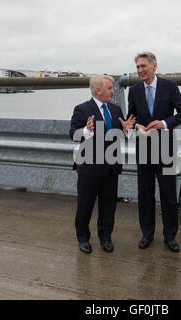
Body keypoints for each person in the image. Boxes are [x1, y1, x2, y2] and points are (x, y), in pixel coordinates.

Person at [127, 52, 181, 252]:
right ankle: (147, 233)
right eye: (137, 67)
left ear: (154, 66)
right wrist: (136, 126)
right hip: (144, 147)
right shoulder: (134, 89)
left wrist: (164, 124)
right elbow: (132, 116)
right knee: (145, 194)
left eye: (143, 66)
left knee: (168, 195)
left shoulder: (170, 86)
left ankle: (170, 235)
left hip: (166, 148)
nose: (139, 70)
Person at [69, 75, 135, 254]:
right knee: (85, 205)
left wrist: (128, 131)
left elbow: (121, 134)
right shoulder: (82, 109)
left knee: (109, 206)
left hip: (111, 168)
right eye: (110, 88)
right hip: (89, 168)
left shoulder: (115, 109)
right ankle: (83, 238)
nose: (114, 91)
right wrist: (86, 130)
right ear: (98, 90)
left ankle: (106, 237)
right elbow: (73, 134)